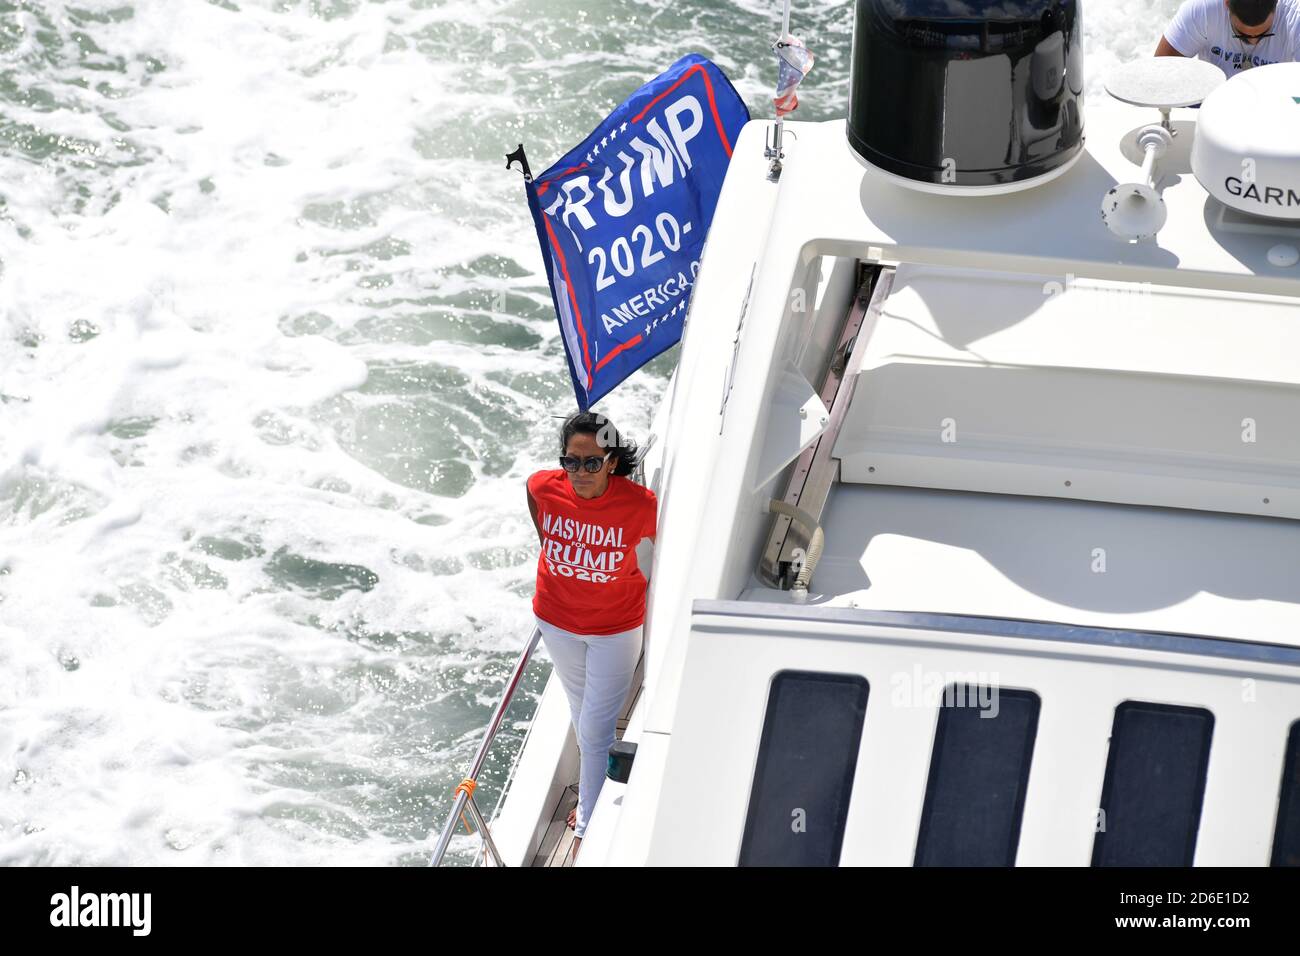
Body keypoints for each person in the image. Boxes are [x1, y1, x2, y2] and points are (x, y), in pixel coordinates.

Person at [525, 411, 657, 862]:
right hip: (556, 621)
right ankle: (589, 798)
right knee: (583, 714)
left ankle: (586, 831)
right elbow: (535, 505)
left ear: (612, 463)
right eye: (572, 462)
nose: (580, 473)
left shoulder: (641, 505)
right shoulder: (544, 487)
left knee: (597, 727)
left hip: (614, 630)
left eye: (591, 463)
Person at [1156, 0, 1300, 76]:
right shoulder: (1202, 10)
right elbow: (1159, 70)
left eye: (1263, 34)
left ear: (1277, 3)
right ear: (1226, 3)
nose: (1252, 41)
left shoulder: (1295, 17)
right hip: (1210, 101)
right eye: (1241, 34)